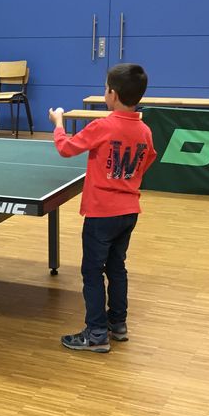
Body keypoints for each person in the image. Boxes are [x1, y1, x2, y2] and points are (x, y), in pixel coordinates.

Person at [48, 63, 158, 353]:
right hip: (129, 211)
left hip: (101, 213)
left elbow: (66, 148)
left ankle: (96, 333)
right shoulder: (145, 130)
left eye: (105, 88)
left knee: (93, 272)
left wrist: (58, 123)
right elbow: (147, 160)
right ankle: (117, 324)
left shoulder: (103, 126)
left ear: (113, 94)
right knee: (117, 266)